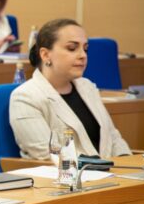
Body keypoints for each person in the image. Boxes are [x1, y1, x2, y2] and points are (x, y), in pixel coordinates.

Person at [10, 18, 131, 159]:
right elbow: (48, 153)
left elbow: (113, 137)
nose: (83, 55)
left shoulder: (87, 86)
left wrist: (127, 163)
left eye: (85, 49)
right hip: (68, 172)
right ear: (45, 55)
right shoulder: (25, 97)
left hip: (111, 171)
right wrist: (105, 167)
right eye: (72, 48)